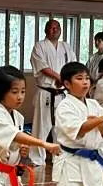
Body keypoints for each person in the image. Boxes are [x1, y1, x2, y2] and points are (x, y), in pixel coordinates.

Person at [27, 19, 75, 174]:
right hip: (46, 92)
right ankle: (36, 158)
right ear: (46, 30)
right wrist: (59, 77)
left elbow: (73, 66)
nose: (55, 30)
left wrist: (67, 80)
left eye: (57, 27)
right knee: (41, 126)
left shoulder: (66, 47)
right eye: (52, 28)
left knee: (61, 127)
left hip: (62, 94)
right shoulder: (39, 46)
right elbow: (42, 67)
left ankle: (59, 156)